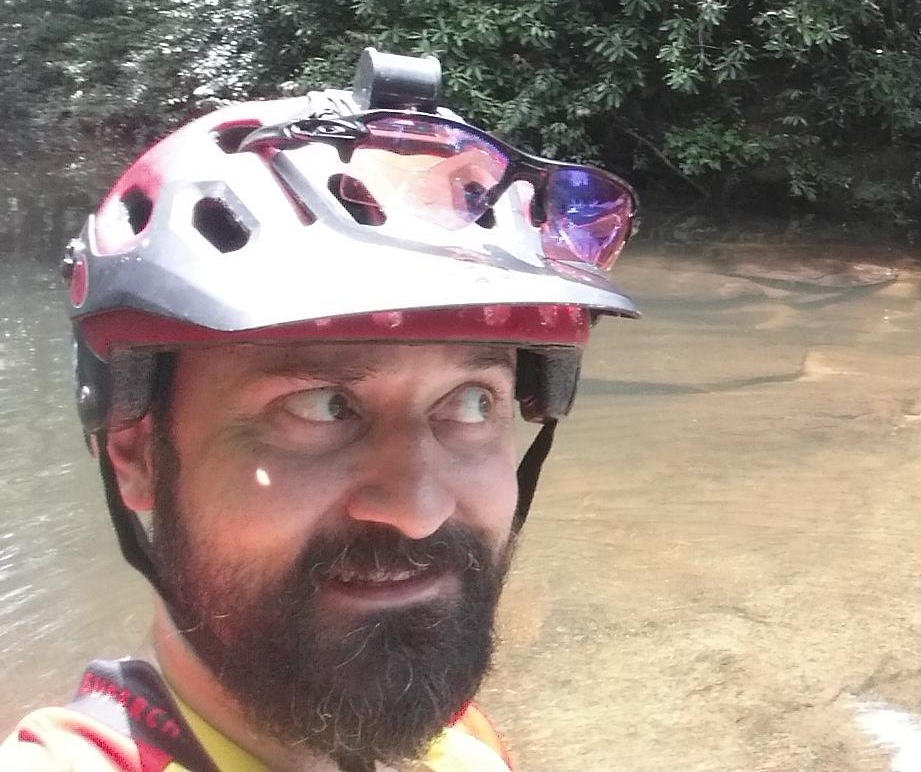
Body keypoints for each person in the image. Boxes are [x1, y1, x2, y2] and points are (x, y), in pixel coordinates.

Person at [2, 51, 640, 772]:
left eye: (470, 401)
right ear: (135, 452)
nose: (418, 509)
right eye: (322, 405)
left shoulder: (462, 747)